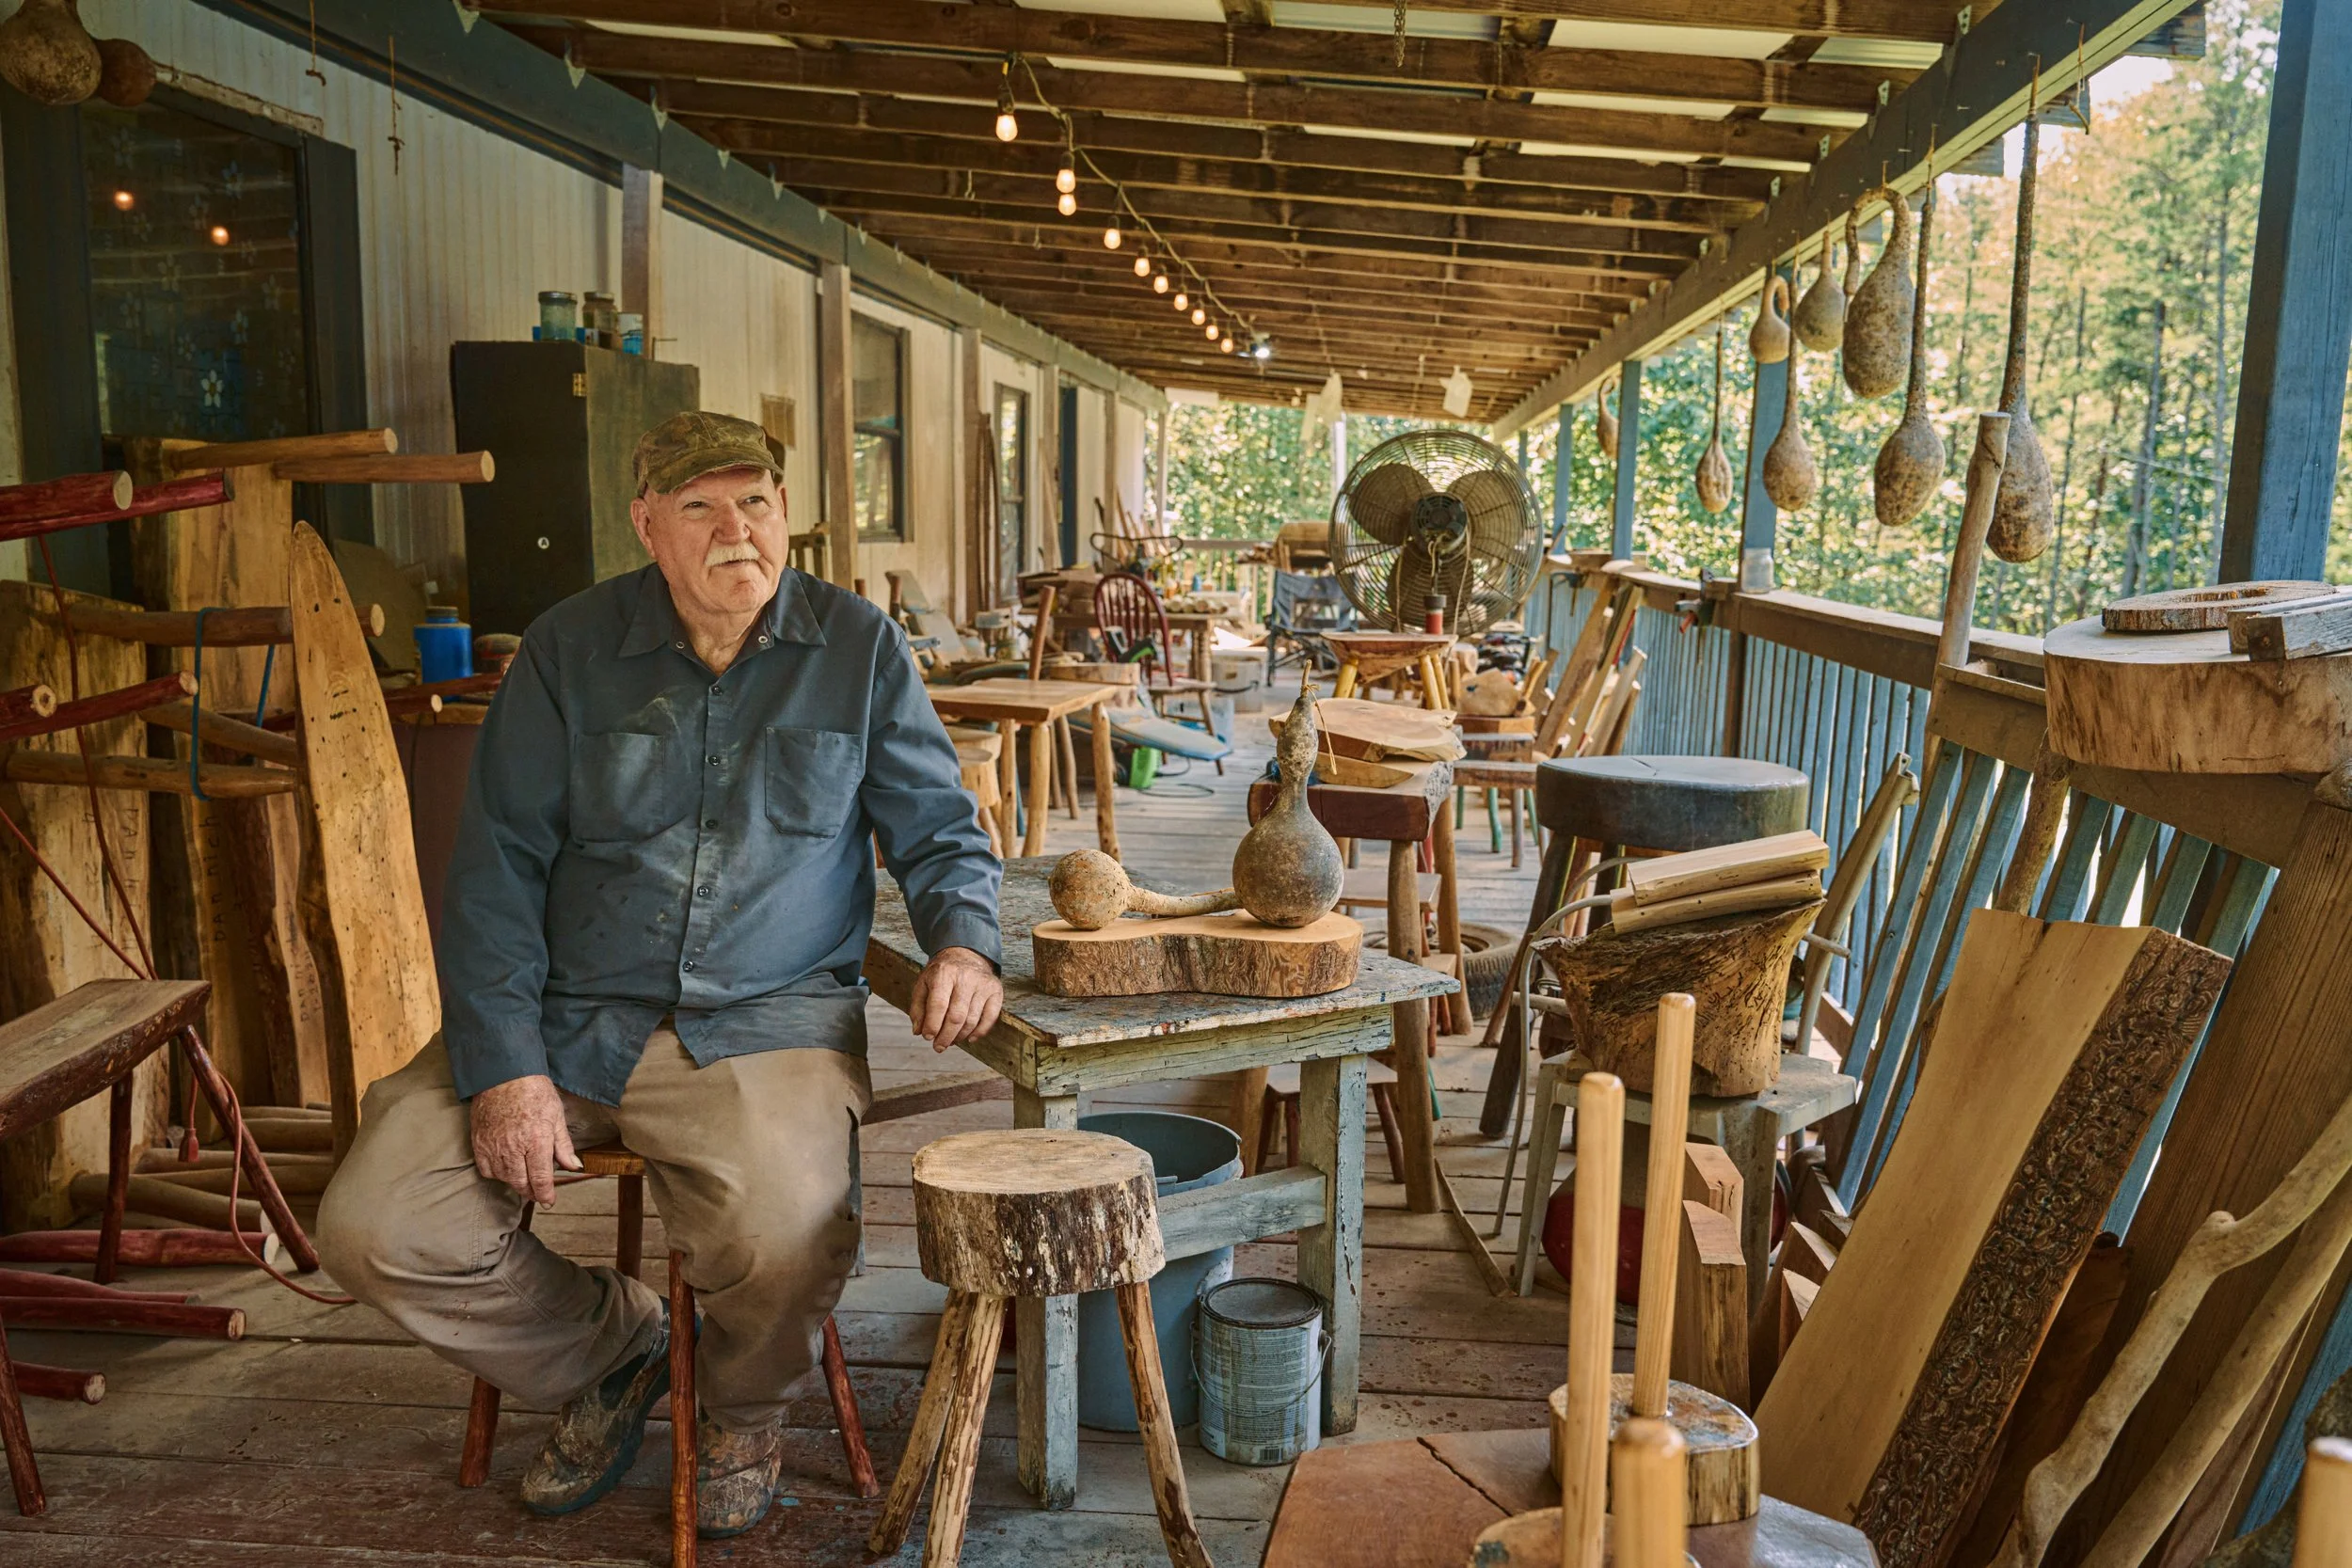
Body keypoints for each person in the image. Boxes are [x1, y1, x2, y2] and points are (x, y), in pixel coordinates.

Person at [318, 410, 1004, 1537]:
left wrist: (963, 941)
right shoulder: (567, 649)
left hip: (765, 1017)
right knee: (374, 1220)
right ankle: (617, 1346)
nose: (738, 529)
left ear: (785, 512)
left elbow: (938, 828)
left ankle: (740, 1407)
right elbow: (496, 872)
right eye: (701, 507)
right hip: (567, 1012)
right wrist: (505, 1069)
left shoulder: (858, 646)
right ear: (647, 523)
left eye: (757, 501)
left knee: (785, 1226)